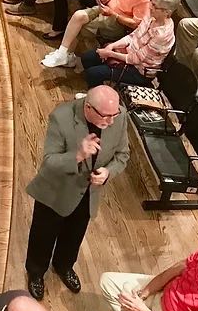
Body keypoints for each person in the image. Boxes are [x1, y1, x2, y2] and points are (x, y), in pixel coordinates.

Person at [24, 85, 129, 299]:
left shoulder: (119, 116)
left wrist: (108, 172)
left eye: (114, 115)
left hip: (89, 192)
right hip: (56, 191)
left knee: (74, 235)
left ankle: (64, 266)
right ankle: (36, 273)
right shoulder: (61, 118)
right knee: (43, 236)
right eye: (105, 116)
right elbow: (49, 161)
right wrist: (78, 155)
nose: (110, 122)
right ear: (88, 108)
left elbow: (122, 154)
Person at [79, 0, 180, 88]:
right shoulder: (151, 16)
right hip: (128, 53)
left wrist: (110, 53)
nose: (150, 7)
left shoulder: (162, 35)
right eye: (151, 3)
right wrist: (112, 46)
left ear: (167, 12)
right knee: (87, 58)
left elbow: (137, 59)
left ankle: (98, 95)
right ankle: (96, 87)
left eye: (154, 6)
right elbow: (132, 36)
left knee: (93, 73)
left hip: (139, 70)